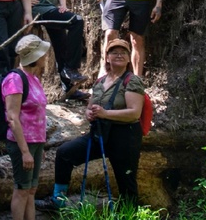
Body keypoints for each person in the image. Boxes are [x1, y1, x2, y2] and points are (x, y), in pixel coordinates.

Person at [46, 38, 144, 209]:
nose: (119, 55)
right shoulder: (100, 82)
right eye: (114, 52)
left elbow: (134, 113)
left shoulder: (132, 81)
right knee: (64, 153)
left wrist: (105, 113)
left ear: (129, 58)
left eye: (123, 52)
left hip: (124, 137)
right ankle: (58, 200)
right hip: (100, 134)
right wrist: (89, 113)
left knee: (126, 180)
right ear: (107, 58)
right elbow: (90, 107)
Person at [3, 34, 51, 220]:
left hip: (37, 141)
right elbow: (12, 117)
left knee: (30, 190)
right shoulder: (15, 79)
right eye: (42, 53)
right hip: (22, 143)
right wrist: (24, 151)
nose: (46, 56)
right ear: (36, 56)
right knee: (21, 190)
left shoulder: (35, 79)